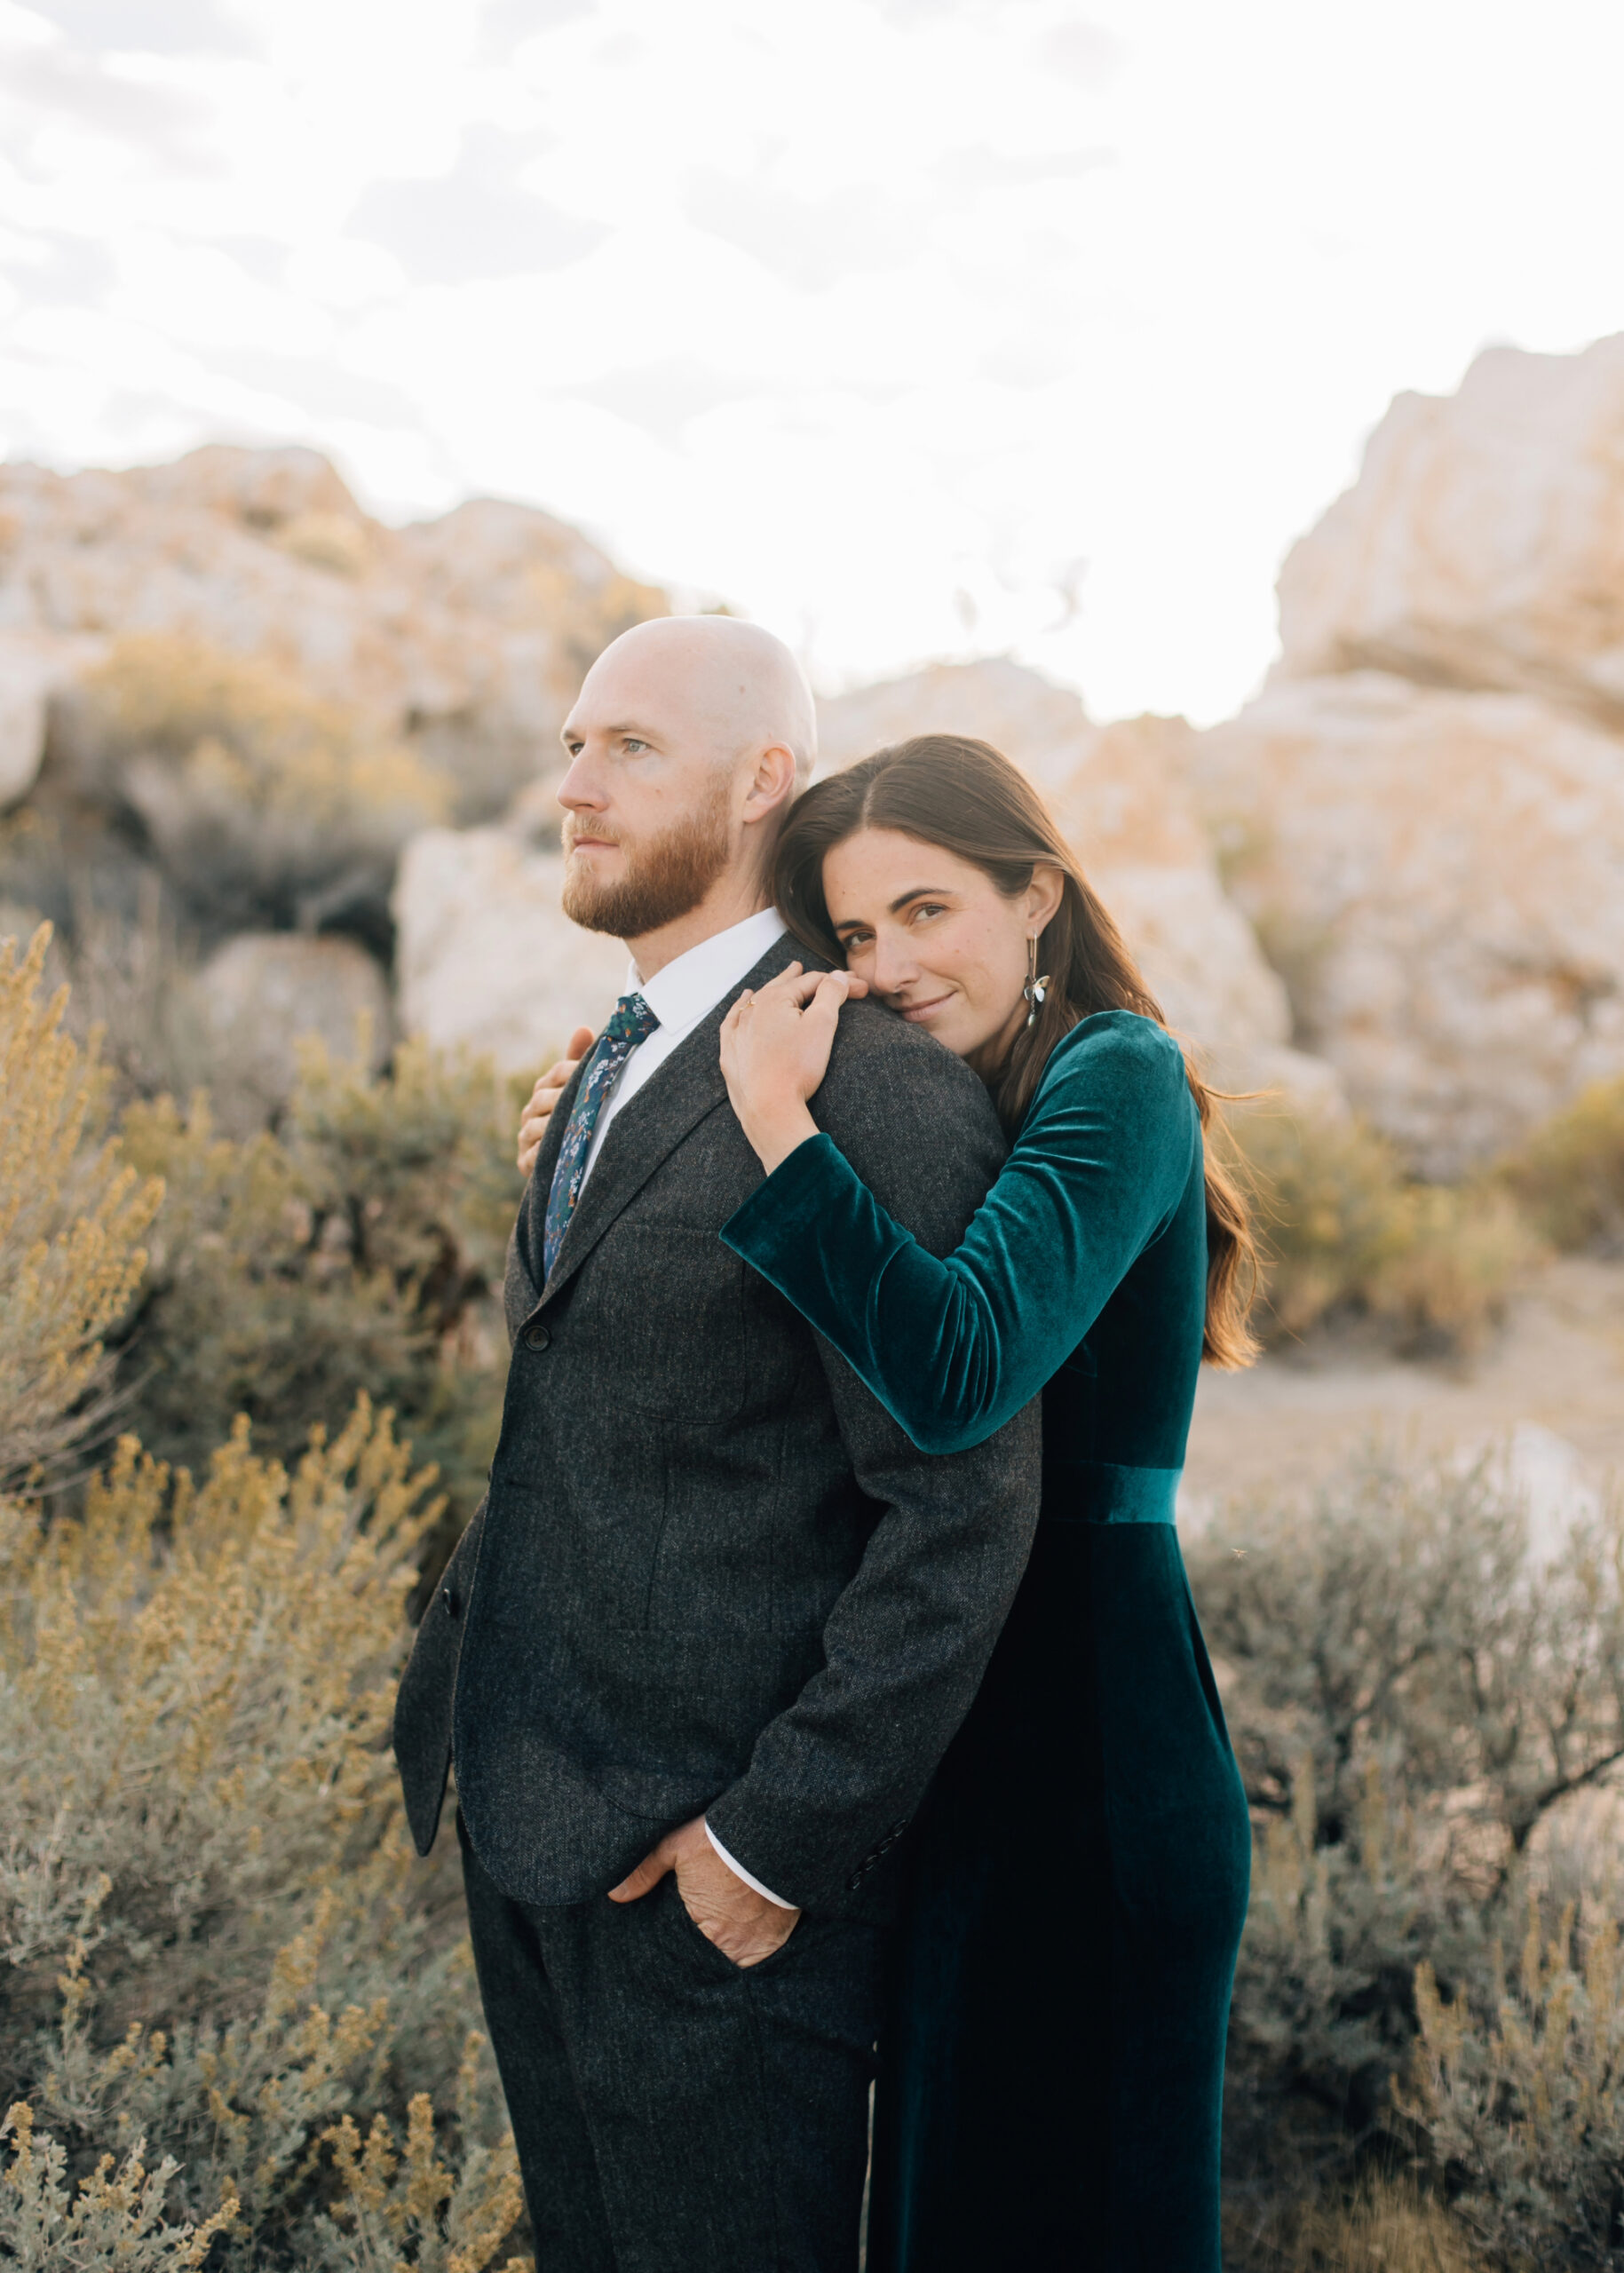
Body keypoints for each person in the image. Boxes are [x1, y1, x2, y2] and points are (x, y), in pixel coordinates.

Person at [518, 730, 1257, 2272]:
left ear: (1036, 894)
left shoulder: (1116, 1077)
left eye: (929, 911)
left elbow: (957, 1369)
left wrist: (774, 1119)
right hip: (963, 1740)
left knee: (1076, 2216)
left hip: (1090, 1742)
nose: (892, 963)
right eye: (854, 933)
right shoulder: (964, 1093)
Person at [393, 622, 1042, 2273]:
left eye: (629, 750)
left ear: (766, 780)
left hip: (721, 1892)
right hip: (534, 1830)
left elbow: (957, 1508)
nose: (573, 788)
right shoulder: (610, 1065)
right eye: (570, 745)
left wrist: (772, 1848)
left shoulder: (869, 1084)